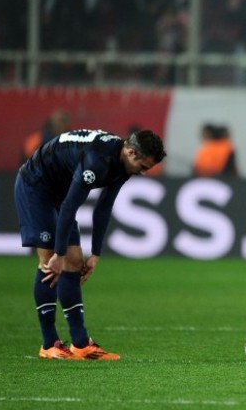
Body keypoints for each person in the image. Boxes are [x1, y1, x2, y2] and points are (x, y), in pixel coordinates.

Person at [15, 129, 166, 360]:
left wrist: (95, 253)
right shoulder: (97, 160)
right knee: (50, 264)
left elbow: (104, 206)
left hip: (59, 192)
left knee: (74, 261)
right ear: (131, 151)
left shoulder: (123, 162)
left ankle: (81, 344)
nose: (143, 173)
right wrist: (58, 253)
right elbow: (69, 208)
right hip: (36, 187)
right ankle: (49, 343)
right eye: (143, 167)